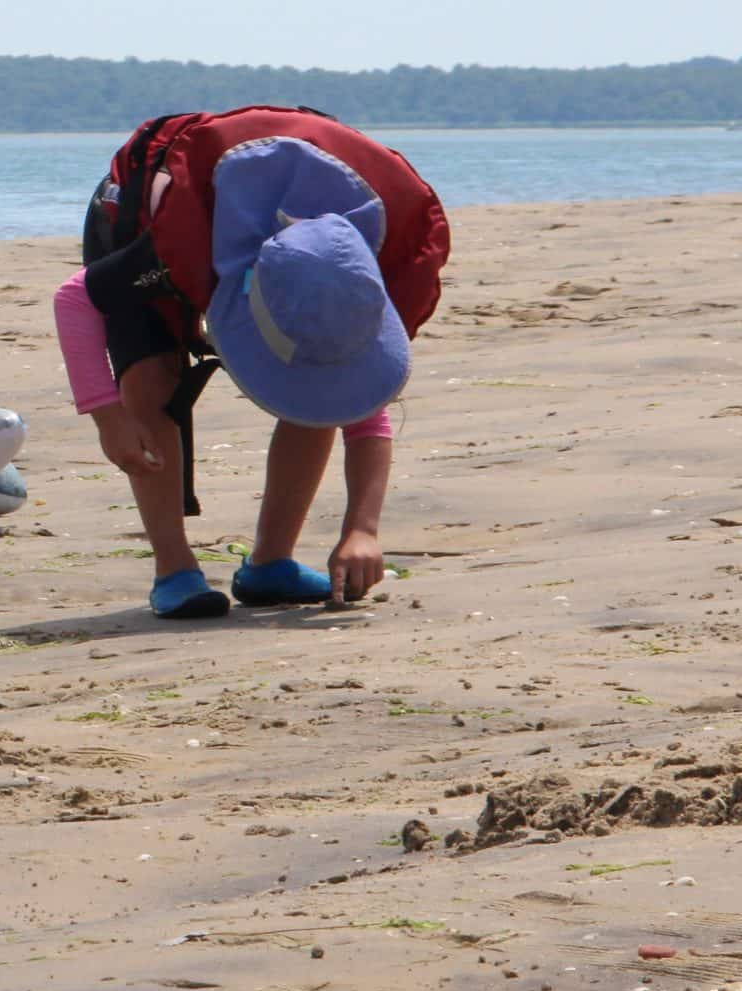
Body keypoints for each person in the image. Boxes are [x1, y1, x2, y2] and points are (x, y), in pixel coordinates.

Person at [50, 108, 450, 619]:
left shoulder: (383, 261)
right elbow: (75, 301)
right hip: (144, 210)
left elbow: (358, 398)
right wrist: (109, 418)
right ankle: (174, 566)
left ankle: (270, 562)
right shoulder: (177, 246)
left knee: (317, 393)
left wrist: (362, 529)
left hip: (280, 228)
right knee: (151, 381)